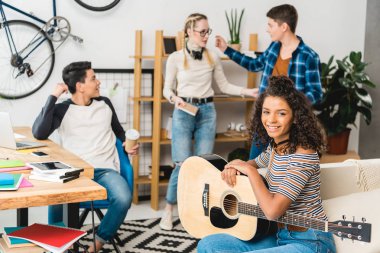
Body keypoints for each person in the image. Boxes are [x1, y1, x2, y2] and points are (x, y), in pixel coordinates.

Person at [197, 76, 335, 253]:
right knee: (208, 244)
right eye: (266, 111)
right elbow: (253, 163)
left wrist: (249, 171)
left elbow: (272, 211)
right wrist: (235, 166)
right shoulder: (276, 147)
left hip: (310, 241)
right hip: (279, 236)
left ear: (295, 117)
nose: (271, 120)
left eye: (281, 113)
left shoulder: (304, 154)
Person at [160, 13, 258, 231]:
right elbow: (167, 88)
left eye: (208, 31)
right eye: (202, 31)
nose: (206, 36)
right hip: (184, 111)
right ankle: (168, 209)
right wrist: (174, 98)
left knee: (205, 164)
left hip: (207, 112)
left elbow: (224, 86)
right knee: (181, 164)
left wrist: (247, 91)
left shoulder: (212, 56)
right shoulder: (176, 58)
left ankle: (195, 210)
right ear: (189, 32)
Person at [32, 61, 139, 253]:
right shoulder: (63, 109)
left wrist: (126, 144)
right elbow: (39, 132)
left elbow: (119, 132)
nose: (98, 82)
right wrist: (53, 96)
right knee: (58, 197)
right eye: (93, 78)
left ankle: (96, 244)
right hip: (74, 174)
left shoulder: (104, 104)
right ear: (80, 86)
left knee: (123, 198)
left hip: (105, 170)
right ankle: (61, 244)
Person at [215, 4, 323, 159]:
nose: (268, 29)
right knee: (254, 164)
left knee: (281, 172)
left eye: (271, 25)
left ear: (284, 26)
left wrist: (291, 102)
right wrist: (226, 49)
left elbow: (316, 93)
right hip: (265, 122)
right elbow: (254, 64)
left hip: (291, 126)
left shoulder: (309, 56)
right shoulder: (274, 48)